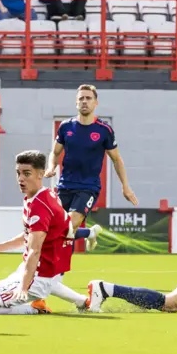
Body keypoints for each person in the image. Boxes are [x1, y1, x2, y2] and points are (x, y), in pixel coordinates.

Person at [42, 84, 138, 312]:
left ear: (96, 103)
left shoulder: (104, 130)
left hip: (88, 188)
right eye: (81, 98)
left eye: (88, 98)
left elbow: (116, 159)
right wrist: (50, 168)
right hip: (64, 187)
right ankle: (87, 235)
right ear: (76, 103)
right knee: (59, 234)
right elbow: (54, 153)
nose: (84, 101)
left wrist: (126, 187)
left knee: (68, 226)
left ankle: (81, 237)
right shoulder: (66, 127)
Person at [0, 150, 78, 315]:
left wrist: (23, 288)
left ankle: (35, 308)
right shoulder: (42, 195)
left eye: (27, 174)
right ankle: (78, 301)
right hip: (35, 272)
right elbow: (28, 236)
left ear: (41, 174)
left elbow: (35, 250)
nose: (20, 179)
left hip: (38, 277)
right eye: (18, 173)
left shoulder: (40, 206)